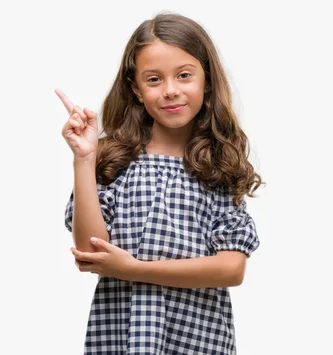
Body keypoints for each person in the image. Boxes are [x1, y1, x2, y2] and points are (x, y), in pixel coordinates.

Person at [57, 12, 263, 355]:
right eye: (154, 79)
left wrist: (134, 269)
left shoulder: (216, 166)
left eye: (184, 76)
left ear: (206, 81)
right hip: (119, 341)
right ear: (136, 89)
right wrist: (84, 158)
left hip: (198, 343)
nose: (170, 90)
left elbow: (231, 267)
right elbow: (91, 252)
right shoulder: (114, 162)